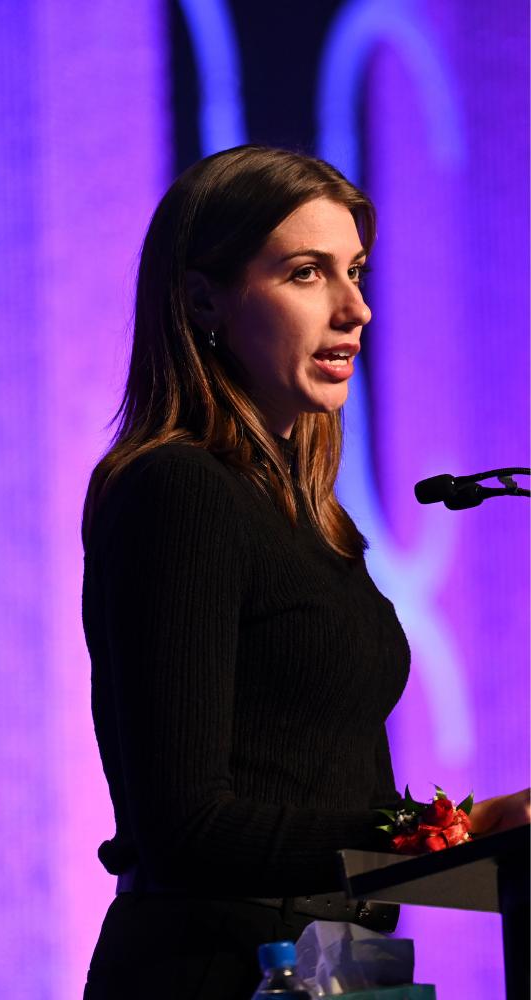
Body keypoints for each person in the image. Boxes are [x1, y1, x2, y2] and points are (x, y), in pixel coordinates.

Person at [80, 145, 530, 999]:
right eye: (307, 273)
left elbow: (316, 785)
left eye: (355, 271)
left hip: (331, 967)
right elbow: (187, 828)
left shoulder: (312, 516)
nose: (356, 308)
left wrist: (462, 829)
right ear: (202, 299)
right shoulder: (179, 490)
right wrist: (432, 833)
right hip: (215, 971)